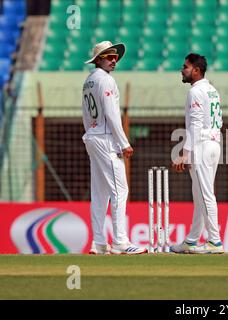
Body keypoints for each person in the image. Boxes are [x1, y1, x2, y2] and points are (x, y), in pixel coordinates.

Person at [82, 41, 147, 255]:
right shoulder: (106, 80)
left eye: (115, 57)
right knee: (120, 189)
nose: (114, 60)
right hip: (105, 139)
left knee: (100, 192)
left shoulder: (89, 81)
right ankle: (120, 241)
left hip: (93, 137)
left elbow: (86, 115)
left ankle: (99, 243)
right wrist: (124, 143)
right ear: (98, 59)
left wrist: (92, 134)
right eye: (109, 57)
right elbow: (111, 114)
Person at [170, 53, 224, 254]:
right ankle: (192, 239)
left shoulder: (195, 92)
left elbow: (195, 124)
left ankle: (215, 241)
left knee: (205, 194)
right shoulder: (212, 90)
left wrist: (185, 153)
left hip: (202, 144)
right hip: (213, 143)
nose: (182, 70)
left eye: (185, 67)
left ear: (196, 70)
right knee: (200, 194)